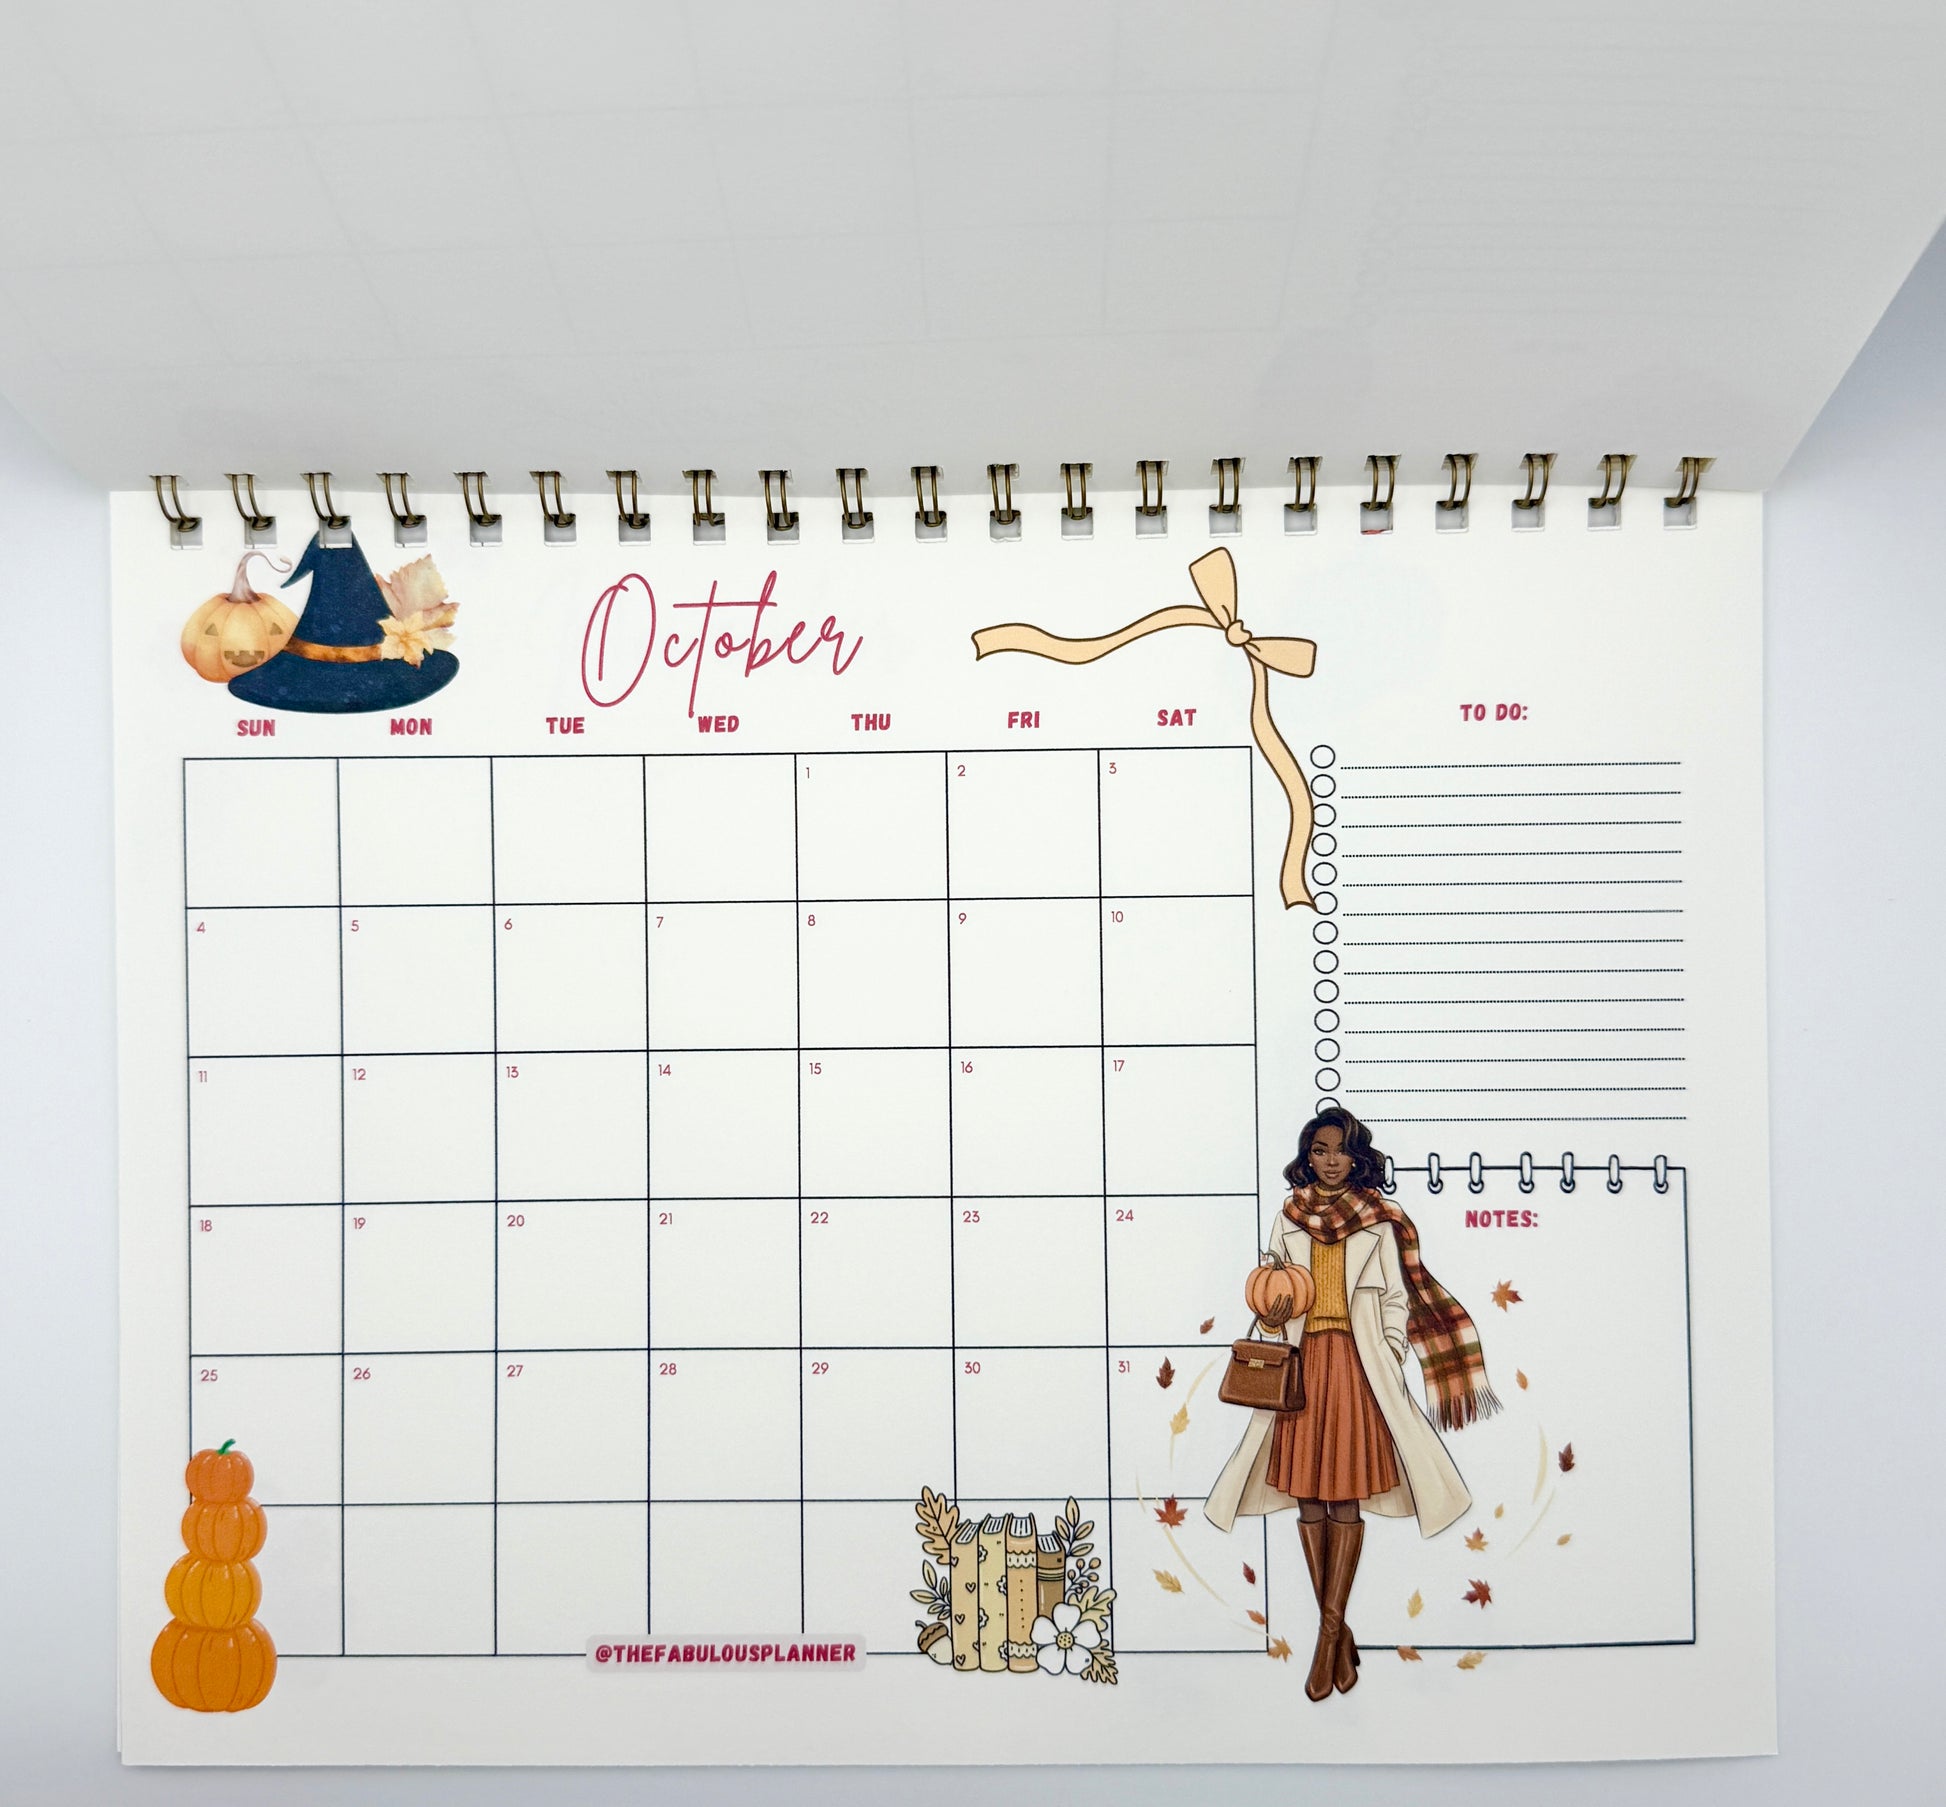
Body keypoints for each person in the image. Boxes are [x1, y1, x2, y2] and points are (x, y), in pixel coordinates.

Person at [1205, 1107, 1498, 1701]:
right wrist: (1272, 1316)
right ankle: (1335, 1633)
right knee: (1308, 1496)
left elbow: (1395, 1301)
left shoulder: (1379, 1221)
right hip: (1301, 1368)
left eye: (1340, 1150)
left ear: (1357, 1156)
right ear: (1306, 1157)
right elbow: (1272, 1293)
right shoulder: (1288, 1219)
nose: (1330, 1160)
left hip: (1357, 1368)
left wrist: (1389, 1351)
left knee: (1344, 1496)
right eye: (1319, 1150)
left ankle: (1326, 1637)